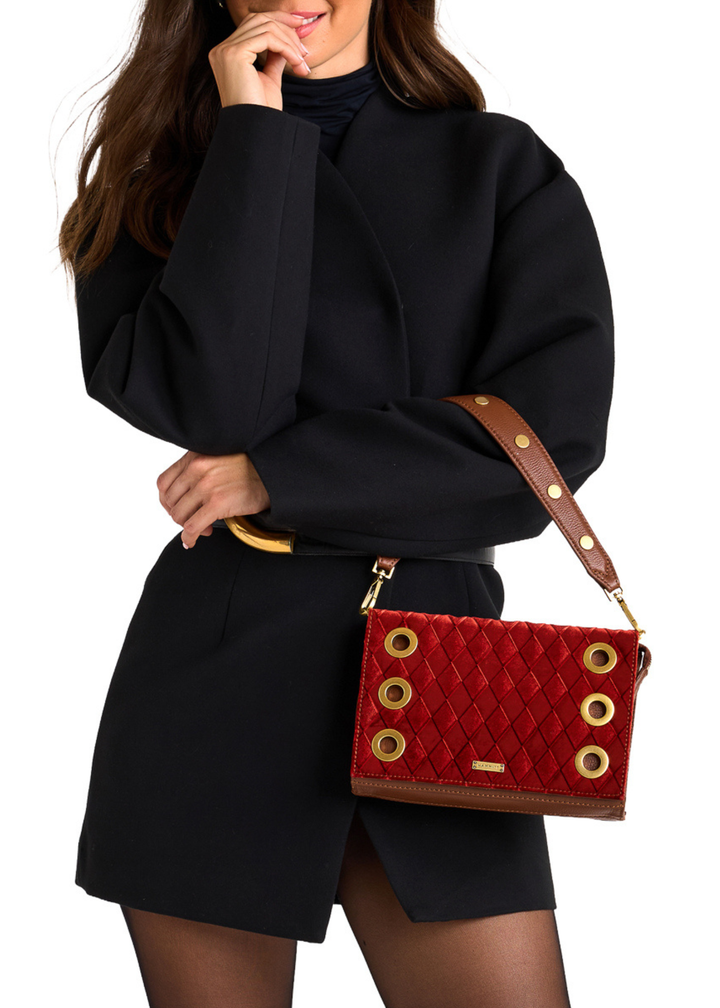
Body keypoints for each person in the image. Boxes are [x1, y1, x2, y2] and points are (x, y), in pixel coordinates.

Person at [59, 1, 614, 1005]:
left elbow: (548, 447)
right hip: (217, 678)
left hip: (444, 675)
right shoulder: (155, 192)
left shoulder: (497, 166)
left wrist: (278, 476)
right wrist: (255, 138)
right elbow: (215, 400)